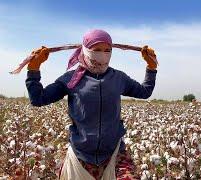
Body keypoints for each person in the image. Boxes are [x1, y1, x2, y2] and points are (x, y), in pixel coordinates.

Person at [25, 29, 158, 179]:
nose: (103, 54)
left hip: (114, 153)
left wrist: (151, 67)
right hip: (81, 156)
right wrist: (34, 69)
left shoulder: (119, 78)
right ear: (86, 50)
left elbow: (144, 92)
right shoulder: (71, 79)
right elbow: (38, 99)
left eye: (107, 50)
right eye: (97, 50)